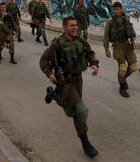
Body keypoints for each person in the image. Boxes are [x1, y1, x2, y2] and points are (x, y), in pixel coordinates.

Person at [39, 16, 99, 158]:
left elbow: (90, 53)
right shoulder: (57, 44)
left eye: (76, 25)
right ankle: (86, 144)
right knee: (81, 111)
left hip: (78, 80)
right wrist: (49, 74)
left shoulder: (80, 40)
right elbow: (43, 60)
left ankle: (54, 96)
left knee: (71, 111)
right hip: (65, 81)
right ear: (65, 27)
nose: (75, 28)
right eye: (72, 26)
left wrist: (94, 63)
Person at [103, 2, 137, 98]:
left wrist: (133, 36)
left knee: (134, 67)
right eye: (114, 9)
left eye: (117, 9)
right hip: (118, 46)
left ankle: (122, 79)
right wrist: (106, 49)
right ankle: (122, 86)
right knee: (122, 69)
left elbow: (130, 29)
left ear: (121, 8)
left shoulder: (125, 18)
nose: (116, 11)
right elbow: (105, 36)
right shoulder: (110, 21)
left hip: (127, 45)